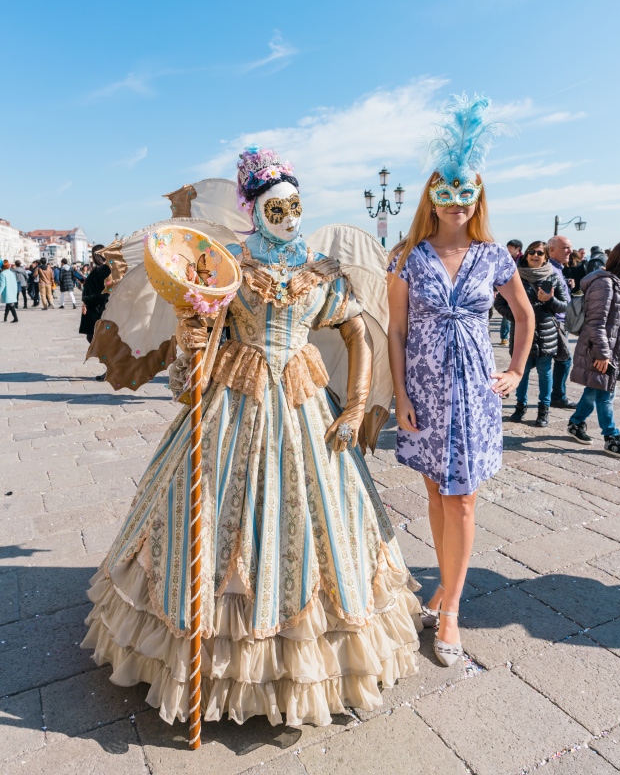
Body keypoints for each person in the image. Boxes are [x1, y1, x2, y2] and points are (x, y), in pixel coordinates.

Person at [81, 146, 422, 726]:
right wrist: (192, 329)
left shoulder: (320, 269)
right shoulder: (228, 266)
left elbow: (358, 330)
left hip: (305, 399)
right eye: (275, 207)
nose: (287, 217)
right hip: (233, 399)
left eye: (294, 205)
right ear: (256, 210)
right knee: (216, 512)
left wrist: (357, 402)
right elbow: (197, 351)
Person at [387, 94, 534, 667]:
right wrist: (399, 394)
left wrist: (517, 370)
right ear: (431, 196)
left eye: (464, 191)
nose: (454, 202)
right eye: (443, 191)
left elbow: (525, 315)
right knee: (434, 491)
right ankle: (444, 586)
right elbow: (396, 332)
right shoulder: (406, 256)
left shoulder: (495, 256)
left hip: (474, 394)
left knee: (464, 499)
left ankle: (450, 611)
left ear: (477, 196)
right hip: (422, 393)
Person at [567, 241, 620, 459]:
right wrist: (603, 354)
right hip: (600, 350)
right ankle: (612, 438)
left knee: (595, 389)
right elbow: (596, 323)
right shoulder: (605, 284)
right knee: (606, 394)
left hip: (611, 349)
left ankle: (575, 423)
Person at [495, 242, 569, 427]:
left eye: (539, 253)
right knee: (522, 371)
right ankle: (520, 407)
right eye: (531, 252)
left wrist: (549, 300)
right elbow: (499, 304)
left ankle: (543, 411)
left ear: (545, 257)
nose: (535, 255)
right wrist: (519, 317)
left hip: (546, 332)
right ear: (526, 255)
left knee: (545, 373)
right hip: (521, 333)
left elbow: (565, 306)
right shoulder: (515, 275)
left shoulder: (553, 276)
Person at [547, 236, 576, 409]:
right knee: (563, 359)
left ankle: (557, 395)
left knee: (540, 362)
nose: (570, 251)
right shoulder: (551, 269)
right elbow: (547, 298)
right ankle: (558, 396)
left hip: (558, 321)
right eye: (565, 247)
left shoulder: (557, 269)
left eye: (570, 247)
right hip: (555, 321)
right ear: (551, 250)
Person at [79, 246, 110, 380]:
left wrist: (87, 299)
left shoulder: (103, 270)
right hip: (94, 309)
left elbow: (104, 293)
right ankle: (111, 367)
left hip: (98, 310)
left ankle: (112, 367)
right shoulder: (101, 269)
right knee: (93, 339)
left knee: (97, 340)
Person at [498, 239, 523, 344]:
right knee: (506, 315)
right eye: (507, 247)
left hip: (521, 291)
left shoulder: (524, 260)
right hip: (507, 290)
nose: (508, 250)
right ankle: (504, 337)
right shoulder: (505, 259)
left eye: (510, 248)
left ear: (518, 249)